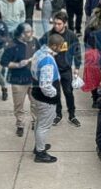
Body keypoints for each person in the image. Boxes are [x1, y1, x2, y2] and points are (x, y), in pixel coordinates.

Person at [40, 12, 82, 127]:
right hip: (52, 71)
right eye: (55, 23)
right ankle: (58, 114)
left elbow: (77, 51)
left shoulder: (71, 36)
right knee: (55, 94)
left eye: (59, 24)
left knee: (69, 93)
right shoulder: (48, 35)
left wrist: (77, 67)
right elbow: (40, 46)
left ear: (65, 23)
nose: (56, 26)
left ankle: (72, 115)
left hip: (66, 70)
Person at [1, 23, 40, 137]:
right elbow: (4, 62)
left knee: (35, 103)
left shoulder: (34, 41)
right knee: (19, 105)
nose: (31, 34)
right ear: (21, 34)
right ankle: (20, 125)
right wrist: (18, 64)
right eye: (28, 32)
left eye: (31, 31)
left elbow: (40, 53)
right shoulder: (11, 45)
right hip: (18, 80)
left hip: (33, 79)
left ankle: (35, 122)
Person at [30, 34, 63, 163]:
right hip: (46, 99)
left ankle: (39, 145)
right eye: (60, 47)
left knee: (39, 122)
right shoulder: (48, 61)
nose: (61, 49)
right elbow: (45, 85)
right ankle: (40, 153)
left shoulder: (39, 52)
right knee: (44, 126)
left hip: (36, 94)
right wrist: (54, 94)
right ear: (54, 46)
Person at [82, 32, 101, 108]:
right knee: (98, 84)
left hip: (90, 69)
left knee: (93, 85)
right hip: (97, 68)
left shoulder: (88, 52)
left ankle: (95, 100)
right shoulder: (99, 52)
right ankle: (97, 99)